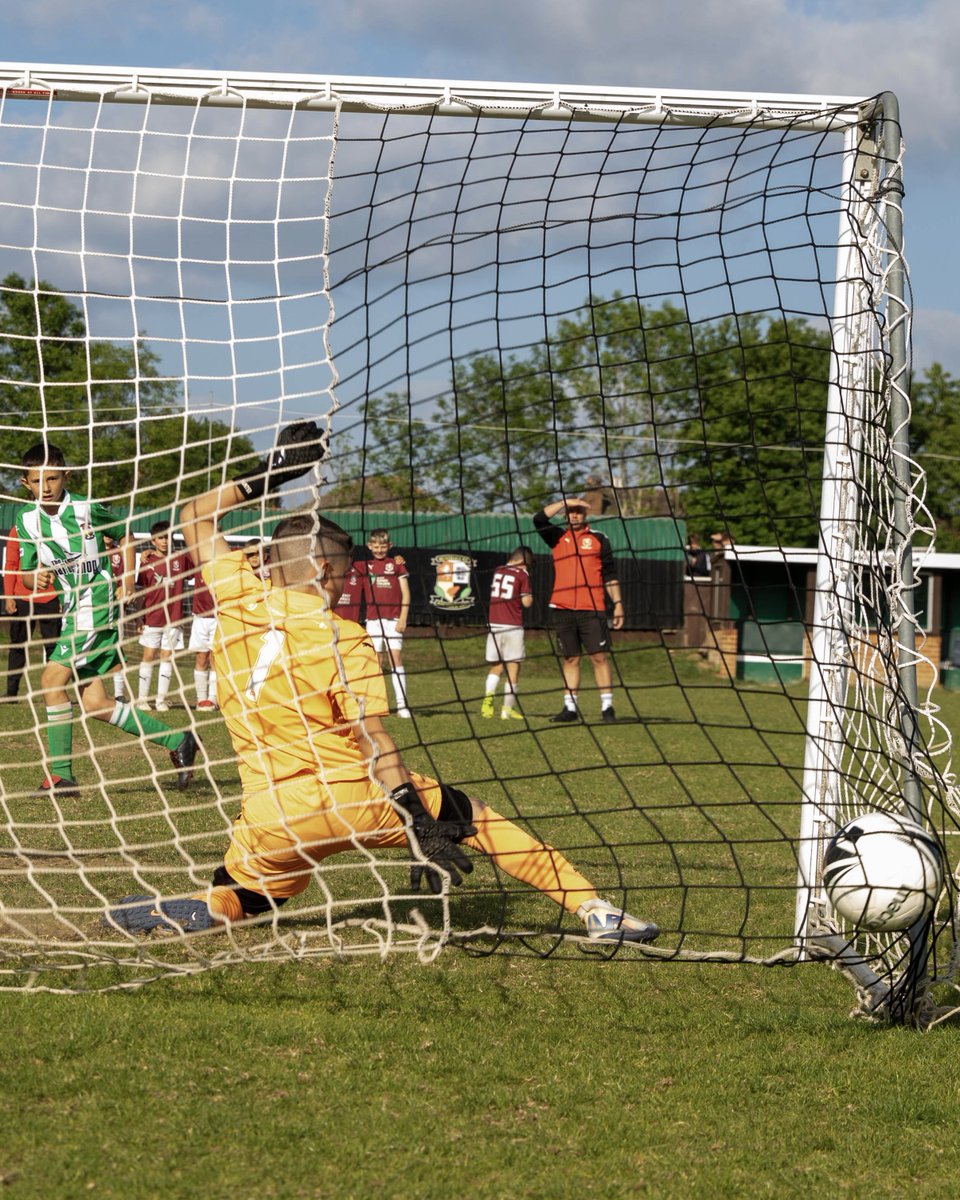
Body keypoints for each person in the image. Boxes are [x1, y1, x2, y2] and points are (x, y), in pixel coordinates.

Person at [105, 422, 659, 946]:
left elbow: (194, 516)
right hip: (357, 796)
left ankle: (202, 908)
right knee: (482, 821)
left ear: (271, 564)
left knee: (248, 895)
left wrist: (272, 475)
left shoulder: (237, 594)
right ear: (326, 575)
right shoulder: (344, 637)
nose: (346, 585)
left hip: (273, 811)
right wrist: (418, 819)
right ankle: (596, 911)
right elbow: (374, 741)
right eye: (344, 575)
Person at [15, 442, 198, 793]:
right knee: (96, 703)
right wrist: (33, 577)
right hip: (71, 609)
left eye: (53, 478)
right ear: (26, 484)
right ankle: (178, 740)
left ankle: (62, 776)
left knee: (52, 680)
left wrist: (127, 581)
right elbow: (26, 572)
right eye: (38, 482)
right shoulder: (27, 522)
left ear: (66, 476)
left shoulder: (85, 508)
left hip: (96, 604)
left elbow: (125, 536)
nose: (47, 487)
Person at [533, 497, 623, 723]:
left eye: (579, 511)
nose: (574, 515)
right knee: (571, 659)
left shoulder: (599, 539)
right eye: (571, 512)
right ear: (565, 514)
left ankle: (607, 708)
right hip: (563, 609)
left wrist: (619, 604)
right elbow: (539, 518)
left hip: (592, 609)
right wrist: (565, 501)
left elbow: (610, 575)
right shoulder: (556, 537)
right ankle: (570, 709)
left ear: (586, 515)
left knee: (599, 657)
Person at [134, 520, 191, 713]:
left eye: (167, 537)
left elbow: (198, 559)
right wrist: (139, 616)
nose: (165, 541)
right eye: (160, 538)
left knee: (167, 657)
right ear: (153, 540)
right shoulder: (146, 562)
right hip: (152, 617)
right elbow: (141, 591)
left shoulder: (181, 559)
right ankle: (142, 699)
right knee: (149, 655)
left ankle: (160, 701)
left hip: (174, 617)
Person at [2, 524, 61, 702]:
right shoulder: (17, 529)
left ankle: (53, 693)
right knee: (18, 645)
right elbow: (11, 565)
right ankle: (11, 693)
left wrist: (64, 596)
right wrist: (8, 596)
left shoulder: (57, 526)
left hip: (50, 597)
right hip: (22, 598)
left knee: (54, 648)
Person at [361, 528, 411, 718]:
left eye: (383, 546)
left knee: (396, 659)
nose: (380, 549)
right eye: (376, 546)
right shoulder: (364, 566)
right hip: (373, 621)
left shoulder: (397, 565)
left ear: (389, 546)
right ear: (369, 546)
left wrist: (403, 617)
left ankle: (402, 705)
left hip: (393, 620)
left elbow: (406, 593)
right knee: (375, 662)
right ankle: (377, 705)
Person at [480, 545, 534, 721]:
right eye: (527, 565)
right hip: (512, 626)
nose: (527, 568)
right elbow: (526, 602)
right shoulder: (522, 575)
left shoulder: (498, 570)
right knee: (513, 668)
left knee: (496, 667)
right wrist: (529, 595)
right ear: (521, 561)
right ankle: (506, 710)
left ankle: (487, 703)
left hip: (494, 625)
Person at [187, 560, 218, 711]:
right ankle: (201, 699)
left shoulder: (223, 557)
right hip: (200, 617)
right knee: (201, 657)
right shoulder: (196, 559)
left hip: (218, 617)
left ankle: (212, 699)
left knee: (215, 658)